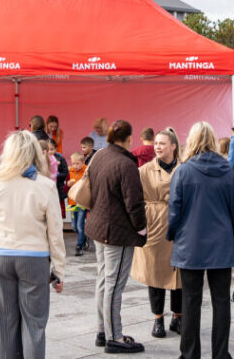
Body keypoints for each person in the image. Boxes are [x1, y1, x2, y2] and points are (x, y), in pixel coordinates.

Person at [0, 131, 66, 359]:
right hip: (34, 256)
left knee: (5, 322)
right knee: (34, 324)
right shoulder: (45, 185)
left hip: (2, 253)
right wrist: (58, 270)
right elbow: (55, 232)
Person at [167, 122, 234, 359]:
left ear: (191, 140)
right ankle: (221, 354)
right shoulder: (226, 169)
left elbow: (174, 210)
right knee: (221, 302)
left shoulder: (183, 171)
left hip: (190, 244)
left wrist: (172, 234)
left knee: (190, 302)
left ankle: (190, 354)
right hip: (221, 243)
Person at [85, 119, 147, 354]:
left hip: (99, 226)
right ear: (129, 139)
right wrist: (141, 229)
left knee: (103, 280)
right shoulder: (125, 164)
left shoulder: (100, 155)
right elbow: (134, 203)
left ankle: (103, 330)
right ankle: (115, 336)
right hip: (117, 231)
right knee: (113, 284)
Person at [130, 128, 182, 339]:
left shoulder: (184, 168)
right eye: (156, 143)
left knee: (179, 275)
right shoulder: (145, 170)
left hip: (179, 226)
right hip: (153, 225)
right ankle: (158, 318)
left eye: (163, 143)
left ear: (173, 146)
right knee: (154, 273)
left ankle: (178, 317)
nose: (158, 147)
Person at [67, 152, 90, 256]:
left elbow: (87, 186)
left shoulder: (86, 173)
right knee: (74, 226)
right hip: (72, 203)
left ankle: (79, 246)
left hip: (81, 203)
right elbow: (65, 187)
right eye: (73, 163)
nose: (75, 166)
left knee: (80, 225)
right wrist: (68, 184)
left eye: (77, 164)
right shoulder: (70, 172)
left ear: (83, 163)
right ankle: (84, 237)